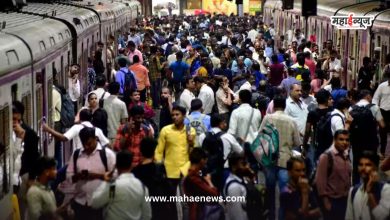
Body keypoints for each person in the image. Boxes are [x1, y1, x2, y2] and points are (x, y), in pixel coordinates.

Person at [260, 95, 302, 220]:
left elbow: (261, 136)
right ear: (285, 106)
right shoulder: (291, 121)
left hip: (270, 160)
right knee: (285, 195)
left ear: (273, 106)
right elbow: (296, 142)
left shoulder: (268, 118)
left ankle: (272, 216)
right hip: (285, 161)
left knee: (270, 192)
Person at [155, 105, 196, 220]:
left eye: (177, 115)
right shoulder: (165, 130)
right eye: (172, 115)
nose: (174, 117)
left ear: (183, 116)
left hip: (185, 171)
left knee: (186, 201)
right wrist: (158, 168)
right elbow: (159, 151)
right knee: (170, 201)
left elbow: (194, 152)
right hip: (169, 171)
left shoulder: (190, 131)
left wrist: (191, 142)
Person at [67, 127, 116, 220]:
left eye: (89, 143)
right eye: (84, 144)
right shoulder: (76, 154)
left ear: (96, 138)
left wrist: (111, 200)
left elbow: (114, 180)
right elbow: (69, 176)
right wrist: (78, 176)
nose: (86, 147)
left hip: (101, 206)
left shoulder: (107, 155)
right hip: (80, 203)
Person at [91, 150, 152, 220]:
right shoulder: (142, 187)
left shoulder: (113, 187)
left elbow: (95, 203)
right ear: (132, 165)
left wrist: (105, 181)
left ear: (116, 166)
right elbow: (147, 215)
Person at [349, 90, 385, 184]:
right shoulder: (375, 108)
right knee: (371, 163)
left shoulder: (351, 108)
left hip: (356, 143)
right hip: (371, 142)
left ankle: (356, 186)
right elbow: (382, 125)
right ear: (368, 96)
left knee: (356, 164)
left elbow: (348, 125)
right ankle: (371, 185)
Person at [314, 130, 352, 220]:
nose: (344, 142)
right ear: (335, 140)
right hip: (332, 201)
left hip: (345, 200)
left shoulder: (346, 156)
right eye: (341, 139)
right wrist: (326, 203)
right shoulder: (327, 156)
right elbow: (320, 182)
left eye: (347, 140)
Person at [12, 101, 40, 219]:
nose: (14, 122)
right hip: (12, 177)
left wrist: (32, 178)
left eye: (16, 118)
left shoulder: (30, 134)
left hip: (24, 175)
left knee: (23, 207)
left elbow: (35, 157)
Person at [133, 138, 172, 220]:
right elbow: (168, 189)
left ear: (141, 151)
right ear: (154, 151)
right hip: (159, 208)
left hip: (142, 209)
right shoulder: (160, 168)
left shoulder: (135, 171)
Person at [345, 151, 390, 220]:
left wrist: (370, 193)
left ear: (375, 168)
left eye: (368, 165)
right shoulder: (353, 191)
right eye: (360, 165)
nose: (363, 168)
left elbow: (382, 217)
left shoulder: (386, 190)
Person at [42, 109, 109, 152]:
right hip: (94, 160)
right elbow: (107, 144)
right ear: (91, 119)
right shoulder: (97, 130)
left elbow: (64, 138)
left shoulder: (76, 128)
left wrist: (48, 129)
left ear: (80, 118)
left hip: (79, 159)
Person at [183, 148, 220, 220]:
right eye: (206, 159)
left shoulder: (191, 175)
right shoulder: (193, 178)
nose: (206, 162)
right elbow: (214, 194)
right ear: (202, 160)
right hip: (197, 214)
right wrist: (209, 182)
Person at [224, 152, 254, 220]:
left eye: (247, 163)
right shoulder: (234, 187)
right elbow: (237, 214)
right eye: (243, 164)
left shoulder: (242, 180)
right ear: (234, 167)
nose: (247, 167)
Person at [373, 69, 390, 155]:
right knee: (382, 133)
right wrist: (376, 111)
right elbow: (375, 98)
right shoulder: (382, 86)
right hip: (383, 112)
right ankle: (382, 152)